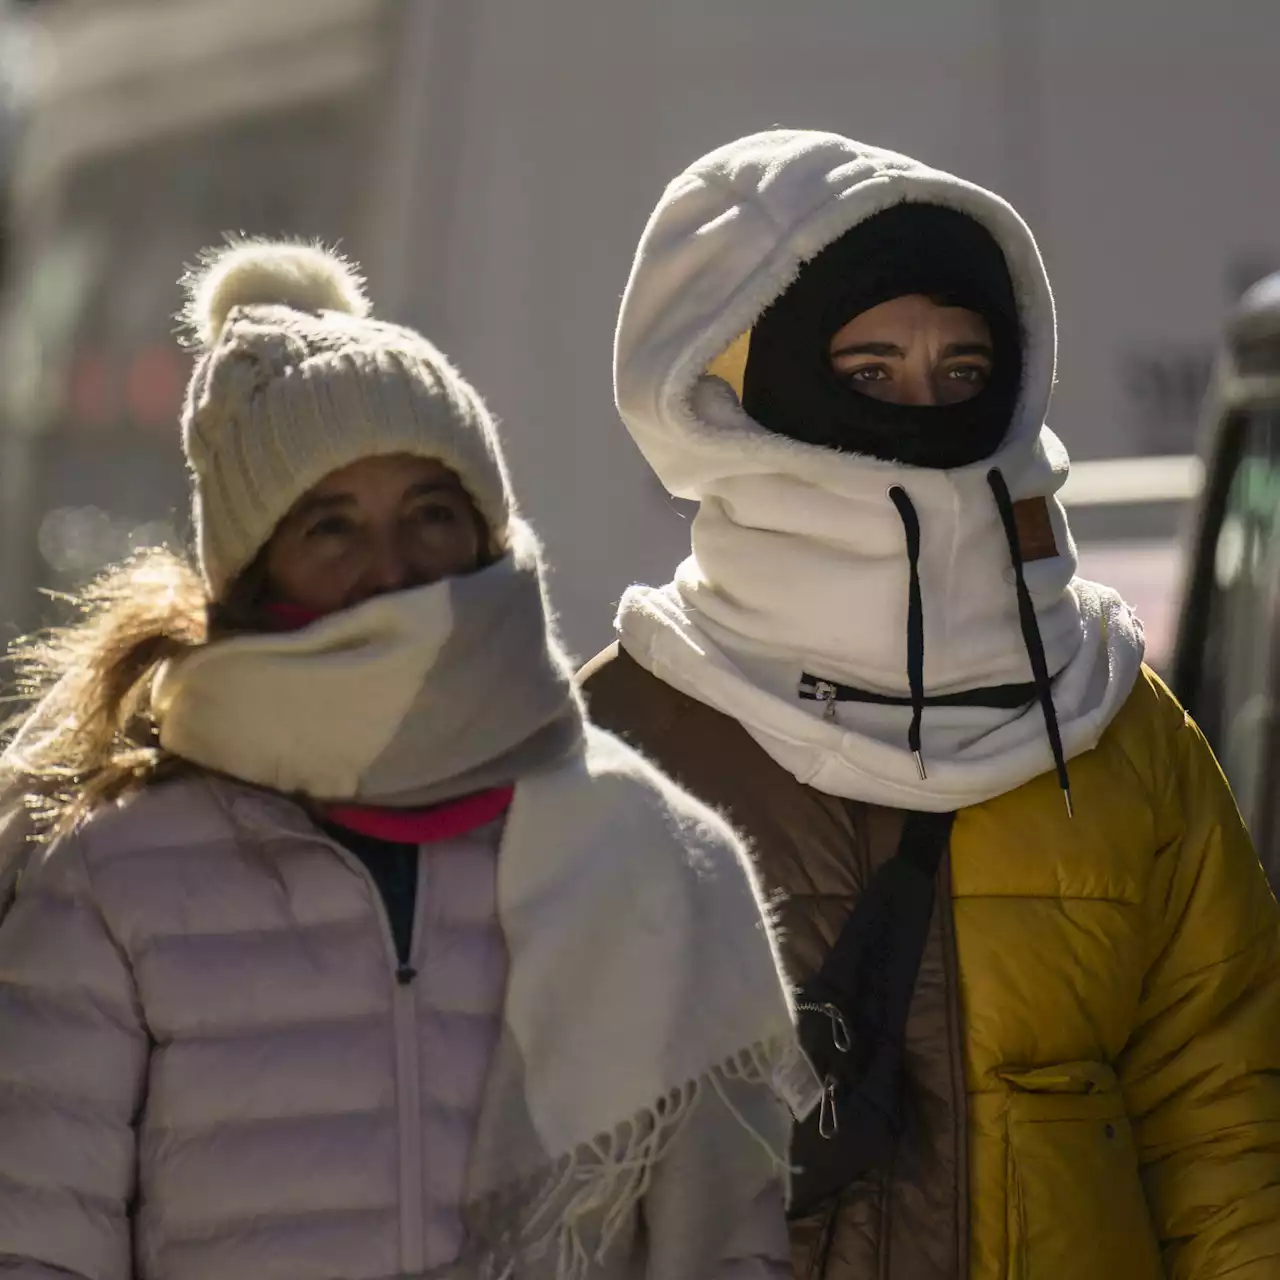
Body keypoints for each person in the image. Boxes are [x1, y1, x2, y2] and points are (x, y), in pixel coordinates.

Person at [0, 239, 801, 1280]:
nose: (391, 566)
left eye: (430, 513)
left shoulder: (652, 856)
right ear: (251, 571)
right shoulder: (116, 877)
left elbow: (728, 1245)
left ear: (487, 534)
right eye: (329, 525)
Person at [581, 129, 1280, 1280]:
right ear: (739, 390)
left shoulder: (1117, 727)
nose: (924, 406)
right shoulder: (624, 739)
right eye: (868, 375)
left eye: (962, 373)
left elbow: (1226, 1119)